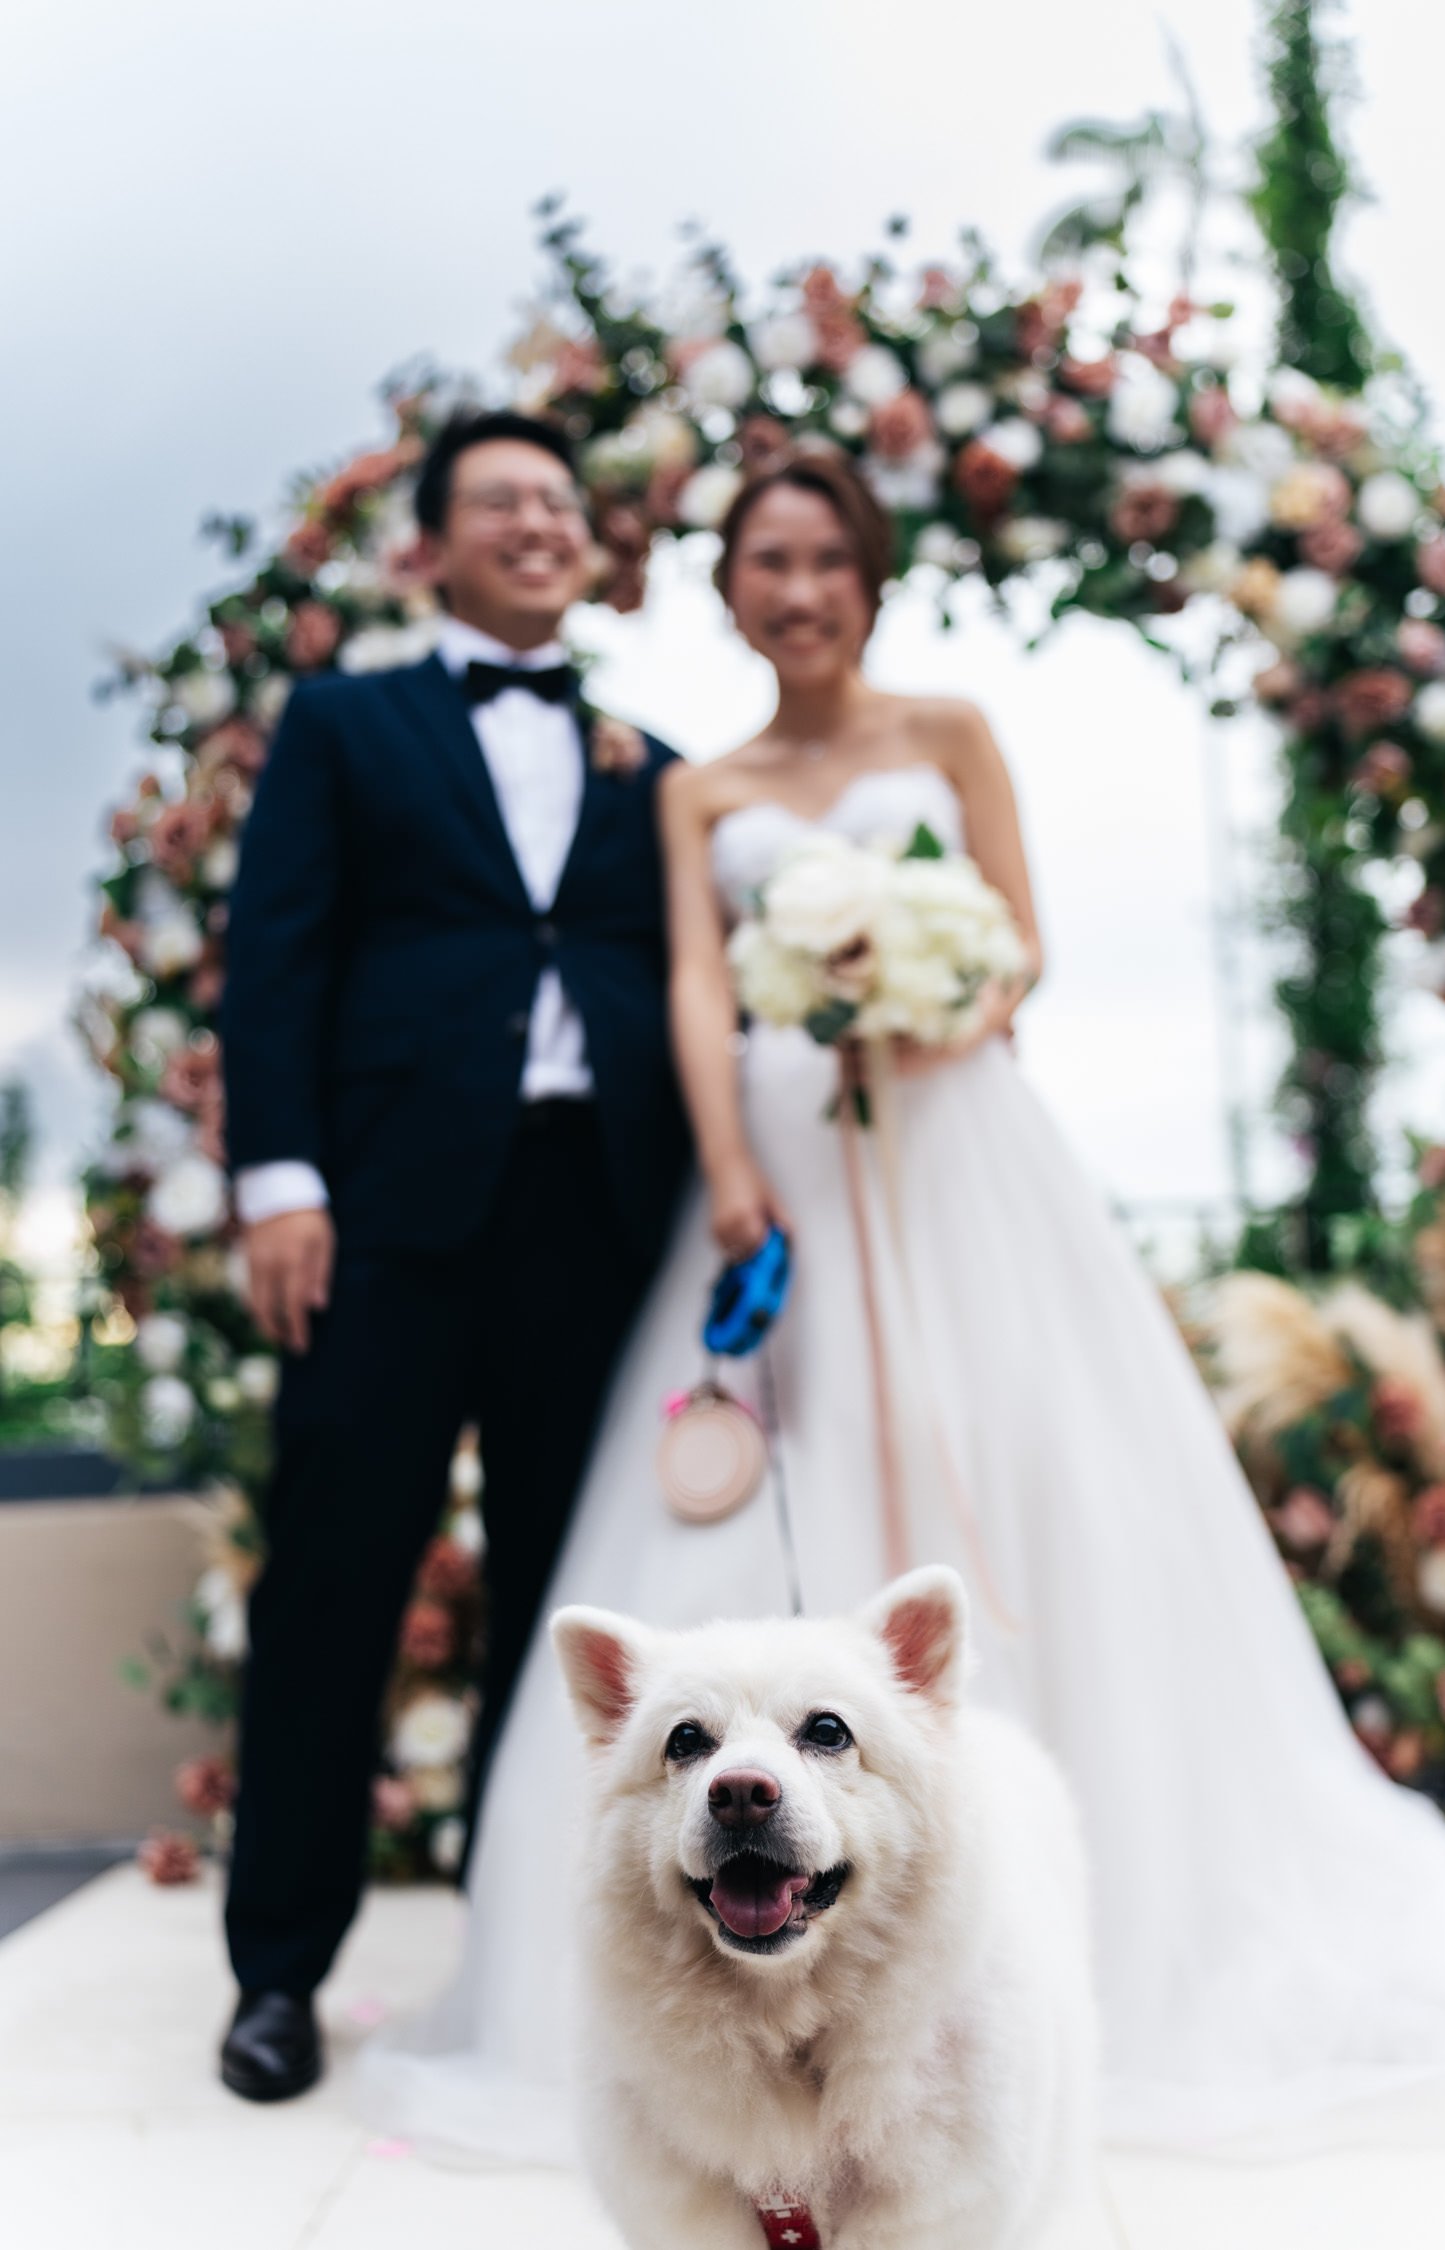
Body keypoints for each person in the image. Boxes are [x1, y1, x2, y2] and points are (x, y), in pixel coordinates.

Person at [362, 452, 1445, 2161]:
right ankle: (714, 1947)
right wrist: (735, 1167)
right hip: (778, 1172)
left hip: (957, 1139)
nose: (797, 588)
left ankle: (1032, 1935)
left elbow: (1022, 942)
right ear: (729, 588)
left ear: (870, 579)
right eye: (765, 560)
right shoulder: (700, 787)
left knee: (1024, 1470)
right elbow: (690, 976)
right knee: (768, 1481)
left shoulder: (951, 729)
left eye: (826, 558)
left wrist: (923, 997)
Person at [216, 409, 689, 2102]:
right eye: (504, 500)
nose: (540, 523)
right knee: (336, 1590)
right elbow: (274, 955)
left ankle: (524, 1974)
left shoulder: (653, 758)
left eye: (562, 502)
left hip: (599, 1227)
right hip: (385, 1226)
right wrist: (279, 1180)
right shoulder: (348, 723)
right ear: (431, 542)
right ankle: (277, 1975)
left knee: (573, 1616)